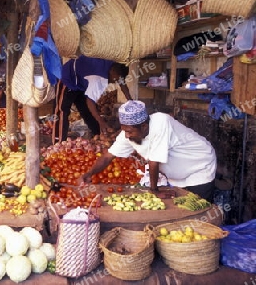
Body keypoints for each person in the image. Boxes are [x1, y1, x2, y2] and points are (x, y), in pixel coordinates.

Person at [80, 100, 217, 202]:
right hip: (177, 176)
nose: (126, 135)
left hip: (199, 167)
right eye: (124, 130)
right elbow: (108, 156)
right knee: (180, 210)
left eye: (129, 131)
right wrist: (89, 173)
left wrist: (154, 190)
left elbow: (154, 162)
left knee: (198, 209)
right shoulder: (128, 133)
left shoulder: (161, 122)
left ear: (144, 126)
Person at [53, 56, 132, 143]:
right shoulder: (97, 78)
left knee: (88, 112)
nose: (114, 82)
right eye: (115, 79)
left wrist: (131, 101)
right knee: (62, 112)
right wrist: (101, 121)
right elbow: (90, 101)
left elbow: (121, 81)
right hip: (67, 78)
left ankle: (99, 136)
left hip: (81, 82)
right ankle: (58, 142)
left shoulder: (114, 67)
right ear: (112, 72)